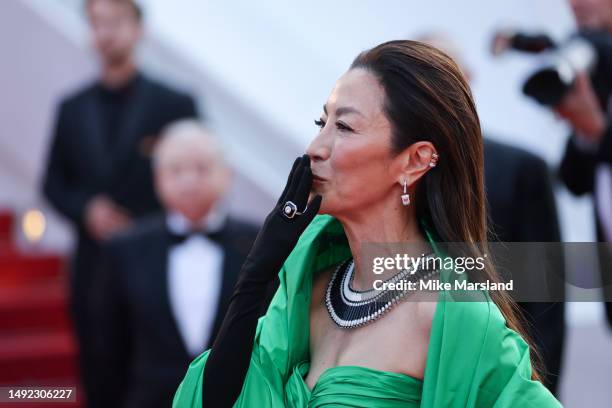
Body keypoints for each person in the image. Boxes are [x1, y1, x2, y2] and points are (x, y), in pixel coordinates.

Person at [174, 40, 561, 407]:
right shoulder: (305, 290)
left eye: (344, 127)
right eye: (320, 122)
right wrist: (255, 276)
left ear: (413, 160)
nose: (314, 147)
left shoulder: (453, 313)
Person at [41, 0, 198, 405]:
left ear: (139, 27)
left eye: (114, 21)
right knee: (98, 375)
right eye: (96, 23)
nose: (105, 32)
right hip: (93, 269)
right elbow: (53, 182)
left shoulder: (174, 104)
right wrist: (87, 209)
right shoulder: (70, 108)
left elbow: (198, 173)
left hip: (159, 265)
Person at [418, 32, 566, 396]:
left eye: (449, 77)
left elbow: (546, 295)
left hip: (497, 370)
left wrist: (537, 389)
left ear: (469, 81)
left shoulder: (522, 170)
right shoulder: (391, 172)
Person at [93, 121, 262, 408]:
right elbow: (107, 347)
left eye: (202, 168)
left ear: (227, 174)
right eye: (176, 170)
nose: (189, 181)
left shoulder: (260, 243)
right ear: (157, 178)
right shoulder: (124, 249)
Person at [556, 0, 612, 330]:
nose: (576, 4)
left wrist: (598, 134)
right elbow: (574, 179)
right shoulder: (598, 75)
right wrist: (586, 133)